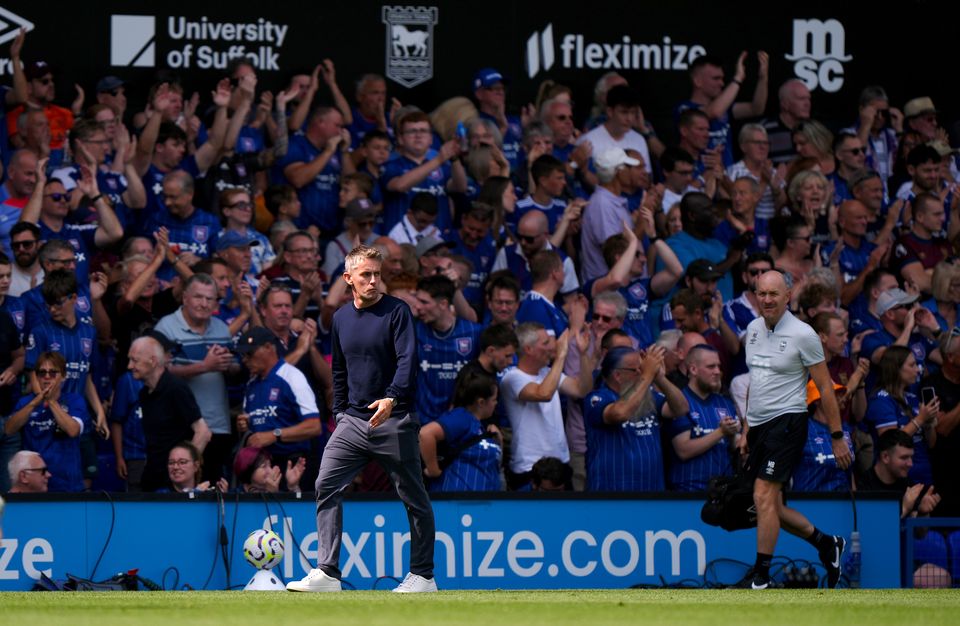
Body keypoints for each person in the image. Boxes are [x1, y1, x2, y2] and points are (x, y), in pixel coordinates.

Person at [288, 245, 436, 593]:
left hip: (395, 419)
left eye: (377, 274)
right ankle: (326, 572)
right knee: (326, 485)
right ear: (348, 278)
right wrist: (340, 412)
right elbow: (338, 369)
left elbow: (407, 362)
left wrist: (392, 397)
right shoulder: (339, 318)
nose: (373, 281)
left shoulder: (397, 311)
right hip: (352, 422)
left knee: (414, 498)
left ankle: (424, 576)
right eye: (366, 274)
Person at [740, 270, 851, 589]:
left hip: (788, 422)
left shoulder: (804, 334)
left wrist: (837, 436)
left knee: (762, 494)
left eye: (774, 294)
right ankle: (827, 544)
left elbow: (825, 389)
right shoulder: (752, 329)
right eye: (762, 293)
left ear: (788, 296)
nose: (767, 299)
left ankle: (760, 576)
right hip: (760, 426)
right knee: (770, 505)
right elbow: (755, 382)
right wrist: (747, 427)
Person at [234, 326, 322, 485]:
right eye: (242, 355)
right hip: (262, 467)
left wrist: (274, 435)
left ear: (268, 347)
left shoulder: (292, 377)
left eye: (249, 353)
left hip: (293, 465)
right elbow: (254, 428)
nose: (245, 360)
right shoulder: (251, 385)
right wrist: (245, 426)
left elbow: (314, 426)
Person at [128, 335, 211, 492]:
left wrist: (182, 468)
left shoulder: (175, 388)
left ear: (152, 361)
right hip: (152, 476)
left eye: (135, 360)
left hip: (173, 484)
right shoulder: (144, 393)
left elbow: (203, 432)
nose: (129, 366)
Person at [4, 352, 86, 492]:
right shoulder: (26, 402)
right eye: (42, 373)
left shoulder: (74, 400)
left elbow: (73, 430)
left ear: (63, 376)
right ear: (36, 377)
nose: (47, 377)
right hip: (34, 486)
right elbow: (9, 429)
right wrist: (34, 403)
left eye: (53, 372)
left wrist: (51, 401)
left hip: (67, 485)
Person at [665, 344, 739, 492]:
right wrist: (720, 432)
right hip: (688, 490)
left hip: (722, 492)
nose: (718, 372)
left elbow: (735, 447)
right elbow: (683, 450)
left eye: (719, 366)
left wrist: (733, 437)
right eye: (711, 367)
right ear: (693, 369)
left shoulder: (725, 402)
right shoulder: (679, 402)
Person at [864, 345, 938, 486]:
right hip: (899, 478)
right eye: (912, 365)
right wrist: (920, 419)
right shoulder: (881, 400)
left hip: (924, 472)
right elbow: (889, 442)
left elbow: (931, 443)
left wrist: (928, 422)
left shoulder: (912, 397)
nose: (917, 370)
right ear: (896, 369)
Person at [419, 370, 503, 492]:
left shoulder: (483, 427)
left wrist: (498, 440)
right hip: (458, 502)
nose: (496, 403)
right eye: (494, 399)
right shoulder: (462, 417)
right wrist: (433, 470)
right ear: (481, 402)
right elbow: (425, 434)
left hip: (485, 504)